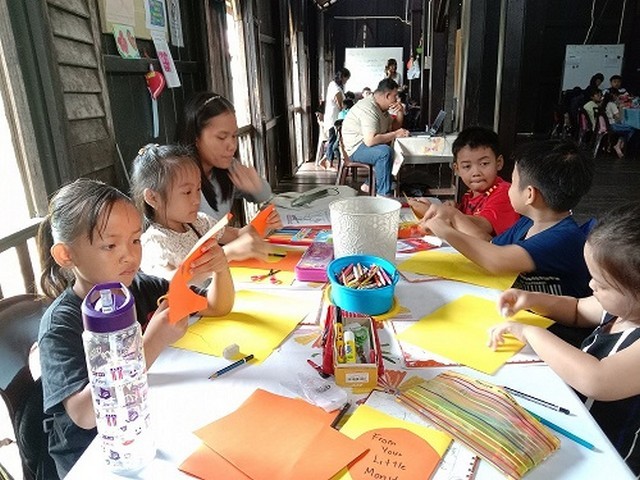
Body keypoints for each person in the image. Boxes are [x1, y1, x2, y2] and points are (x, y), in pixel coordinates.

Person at [37, 179, 235, 477]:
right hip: (95, 457)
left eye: (135, 240)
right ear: (67, 255)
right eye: (110, 245)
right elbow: (84, 415)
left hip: (145, 424)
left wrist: (221, 267)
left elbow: (216, 306)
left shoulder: (141, 287)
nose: (129, 255)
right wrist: (152, 341)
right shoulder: (61, 324)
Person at [488, 201, 640, 475]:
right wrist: (532, 299)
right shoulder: (623, 307)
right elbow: (577, 310)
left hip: (608, 459)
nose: (591, 286)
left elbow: (597, 379)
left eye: (602, 284)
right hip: (576, 423)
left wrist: (531, 332)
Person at [420, 139, 594, 300]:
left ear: (529, 195)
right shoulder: (530, 222)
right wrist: (453, 216)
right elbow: (490, 246)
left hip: (550, 321)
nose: (508, 187)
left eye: (513, 182)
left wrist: (446, 232)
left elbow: (497, 260)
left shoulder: (563, 238)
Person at [129, 144, 273, 283]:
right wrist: (227, 254)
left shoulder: (200, 223)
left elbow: (239, 235)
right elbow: (169, 284)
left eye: (198, 189)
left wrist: (263, 224)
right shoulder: (153, 243)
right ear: (153, 198)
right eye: (187, 192)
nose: (196, 200)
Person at [175, 92, 278, 223]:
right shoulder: (177, 178)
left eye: (234, 136)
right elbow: (201, 230)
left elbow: (264, 195)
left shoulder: (227, 168)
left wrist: (256, 187)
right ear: (196, 137)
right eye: (222, 137)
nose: (232, 146)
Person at [408, 127, 520, 240]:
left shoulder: (505, 193)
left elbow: (483, 226)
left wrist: (437, 213)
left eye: (484, 164)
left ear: (498, 163)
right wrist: (451, 208)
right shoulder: (470, 195)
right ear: (457, 169)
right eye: (467, 166)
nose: (476, 172)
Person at [341, 78, 410, 196]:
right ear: (387, 95)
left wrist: (400, 112)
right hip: (355, 149)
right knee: (384, 152)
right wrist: (395, 134)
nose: (397, 100)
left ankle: (370, 183)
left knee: (389, 147)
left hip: (365, 145)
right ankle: (383, 194)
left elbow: (394, 127)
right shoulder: (368, 108)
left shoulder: (382, 109)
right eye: (395, 96)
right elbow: (370, 141)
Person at [320, 68, 351, 169]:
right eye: (346, 79)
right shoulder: (335, 87)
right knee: (333, 140)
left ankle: (325, 160)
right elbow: (340, 104)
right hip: (333, 118)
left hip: (333, 117)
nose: (346, 81)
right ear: (342, 77)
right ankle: (329, 163)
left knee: (333, 139)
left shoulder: (333, 85)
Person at [602, 89, 636, 158]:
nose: (618, 97)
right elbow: (619, 117)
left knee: (626, 129)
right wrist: (620, 107)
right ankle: (620, 145)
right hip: (613, 126)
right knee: (632, 128)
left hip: (609, 125)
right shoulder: (612, 104)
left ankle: (619, 144)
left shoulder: (605, 104)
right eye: (617, 95)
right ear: (614, 95)